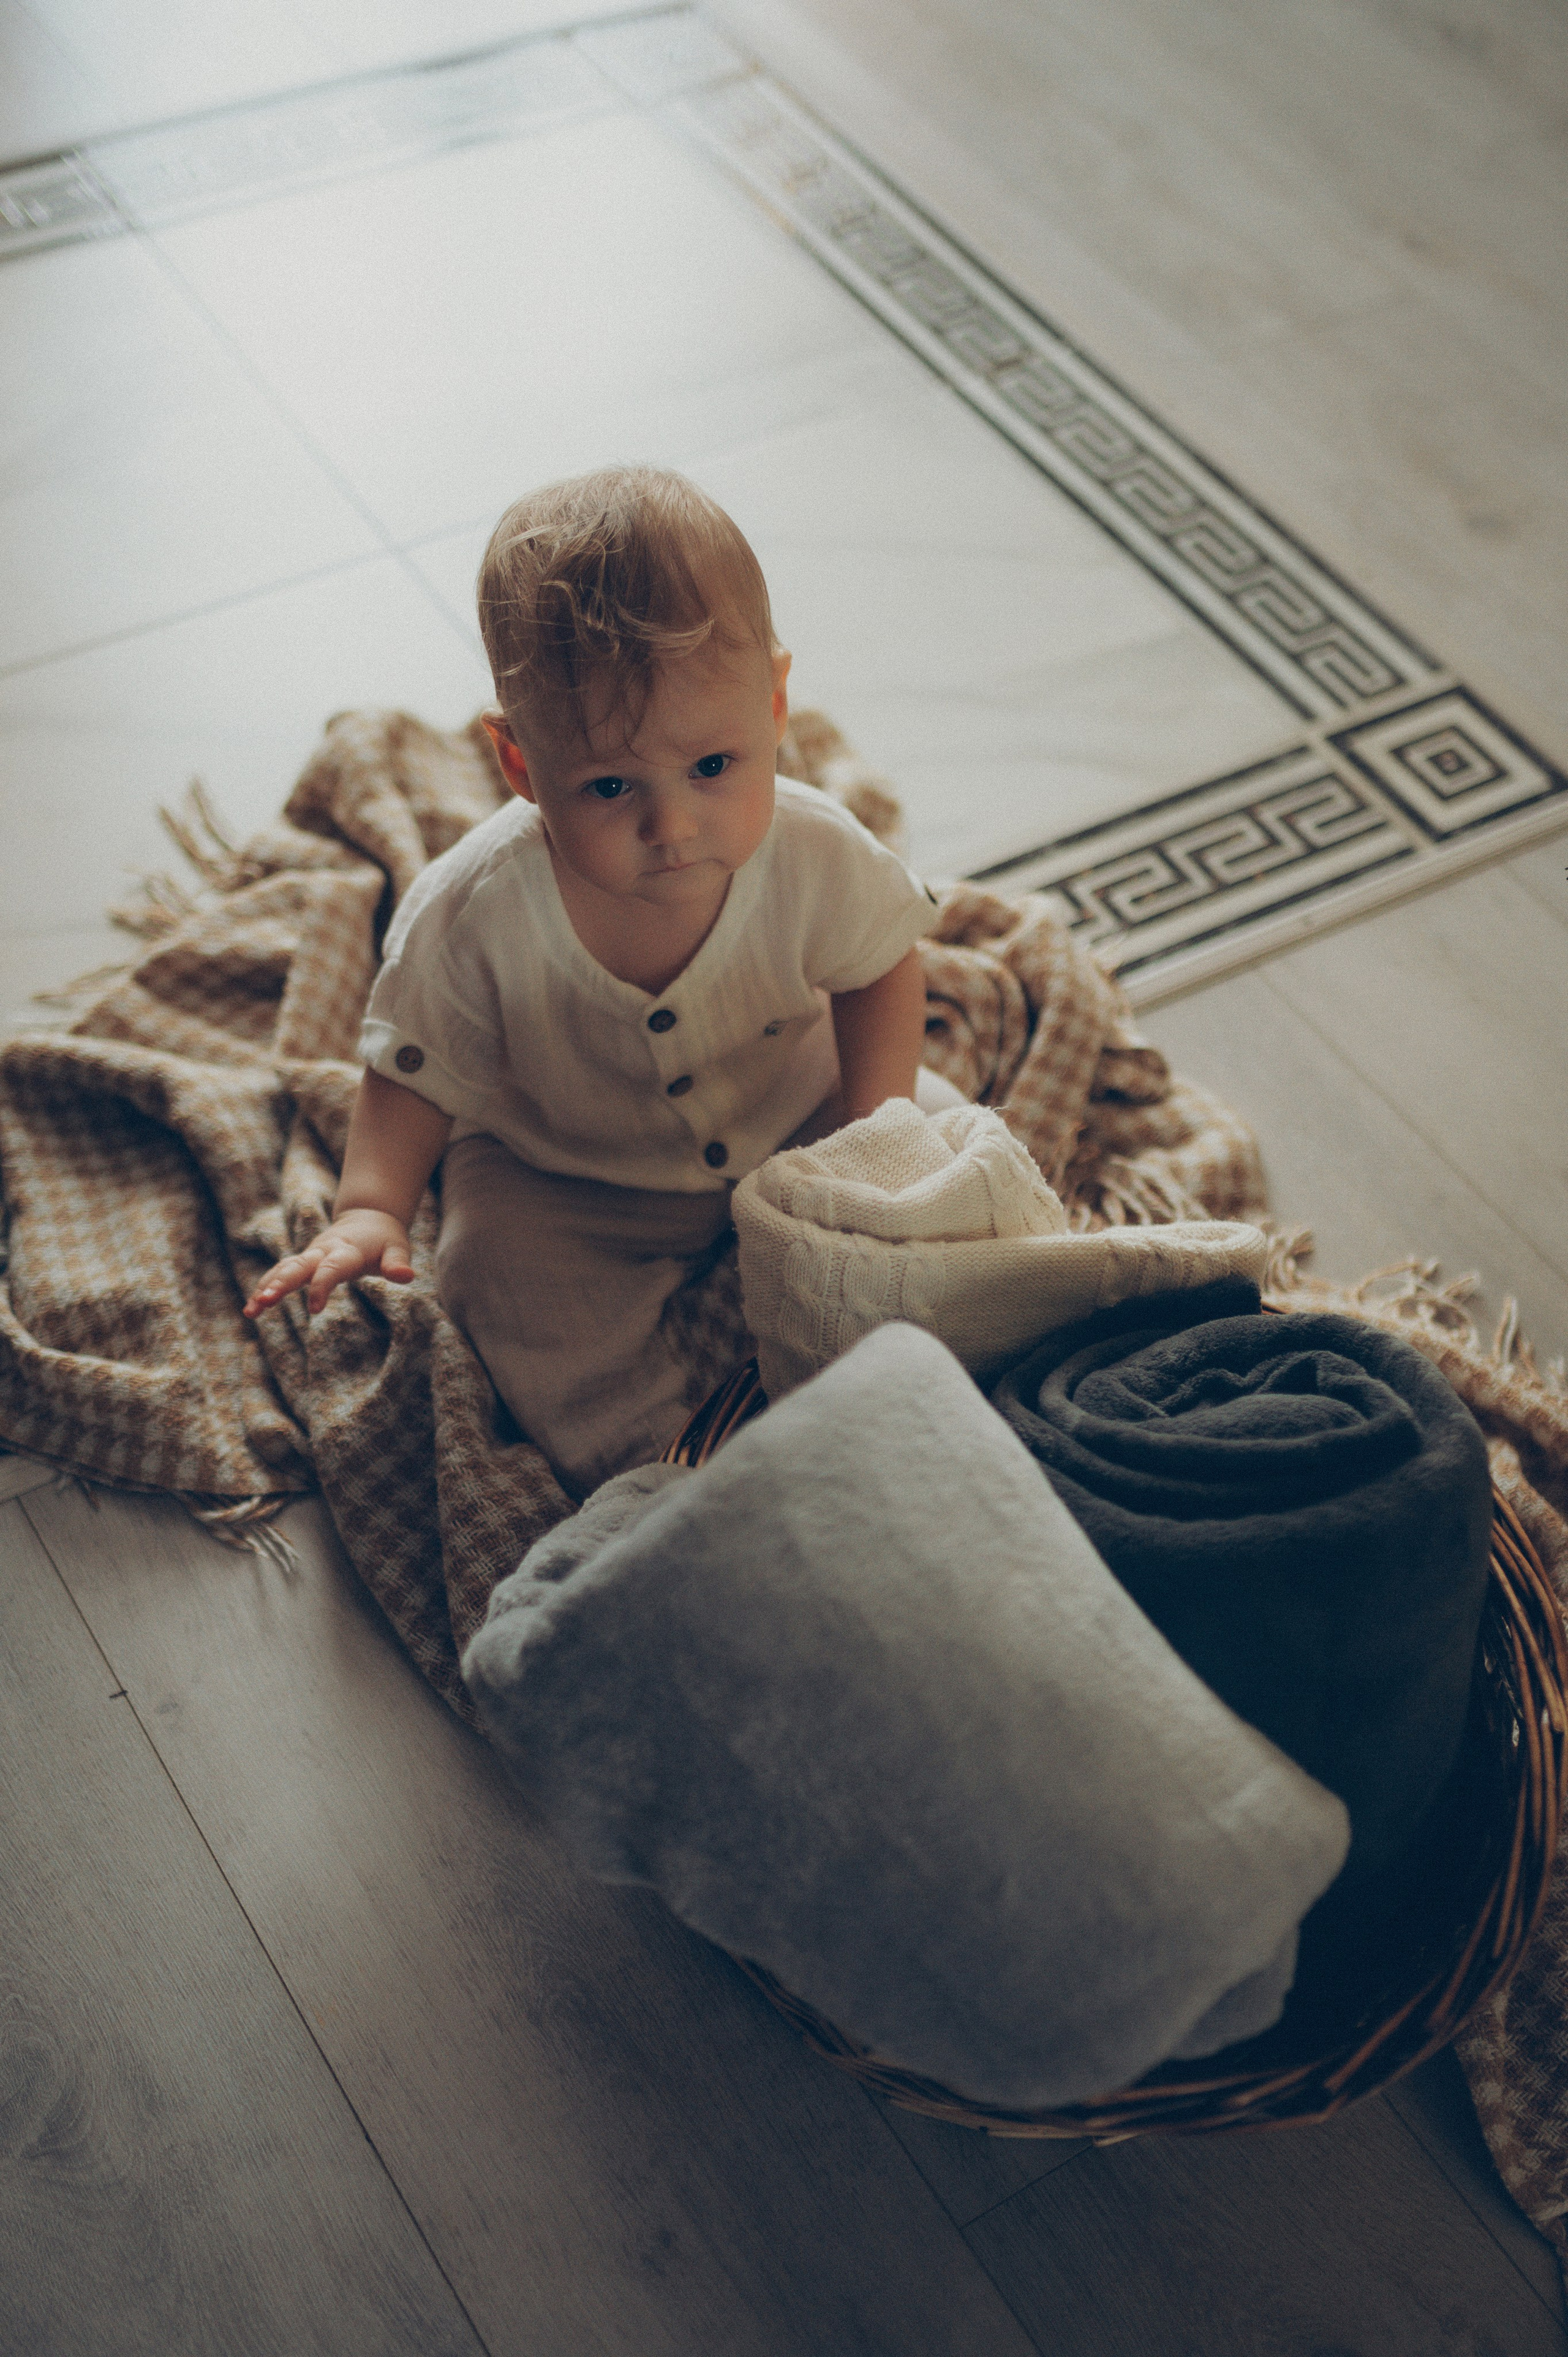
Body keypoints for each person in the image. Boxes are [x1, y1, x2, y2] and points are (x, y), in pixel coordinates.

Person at [244, 465, 956, 1489]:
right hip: (564, 1176)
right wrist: (371, 1207)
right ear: (522, 764)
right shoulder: (473, 909)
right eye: (611, 786)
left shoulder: (814, 850)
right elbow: (412, 1063)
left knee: (949, 1151)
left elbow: (882, 968)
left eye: (714, 766)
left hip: (800, 1113)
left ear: (776, 703)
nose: (673, 826)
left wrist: (878, 1121)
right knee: (491, 1277)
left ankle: (968, 1357)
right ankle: (666, 1472)